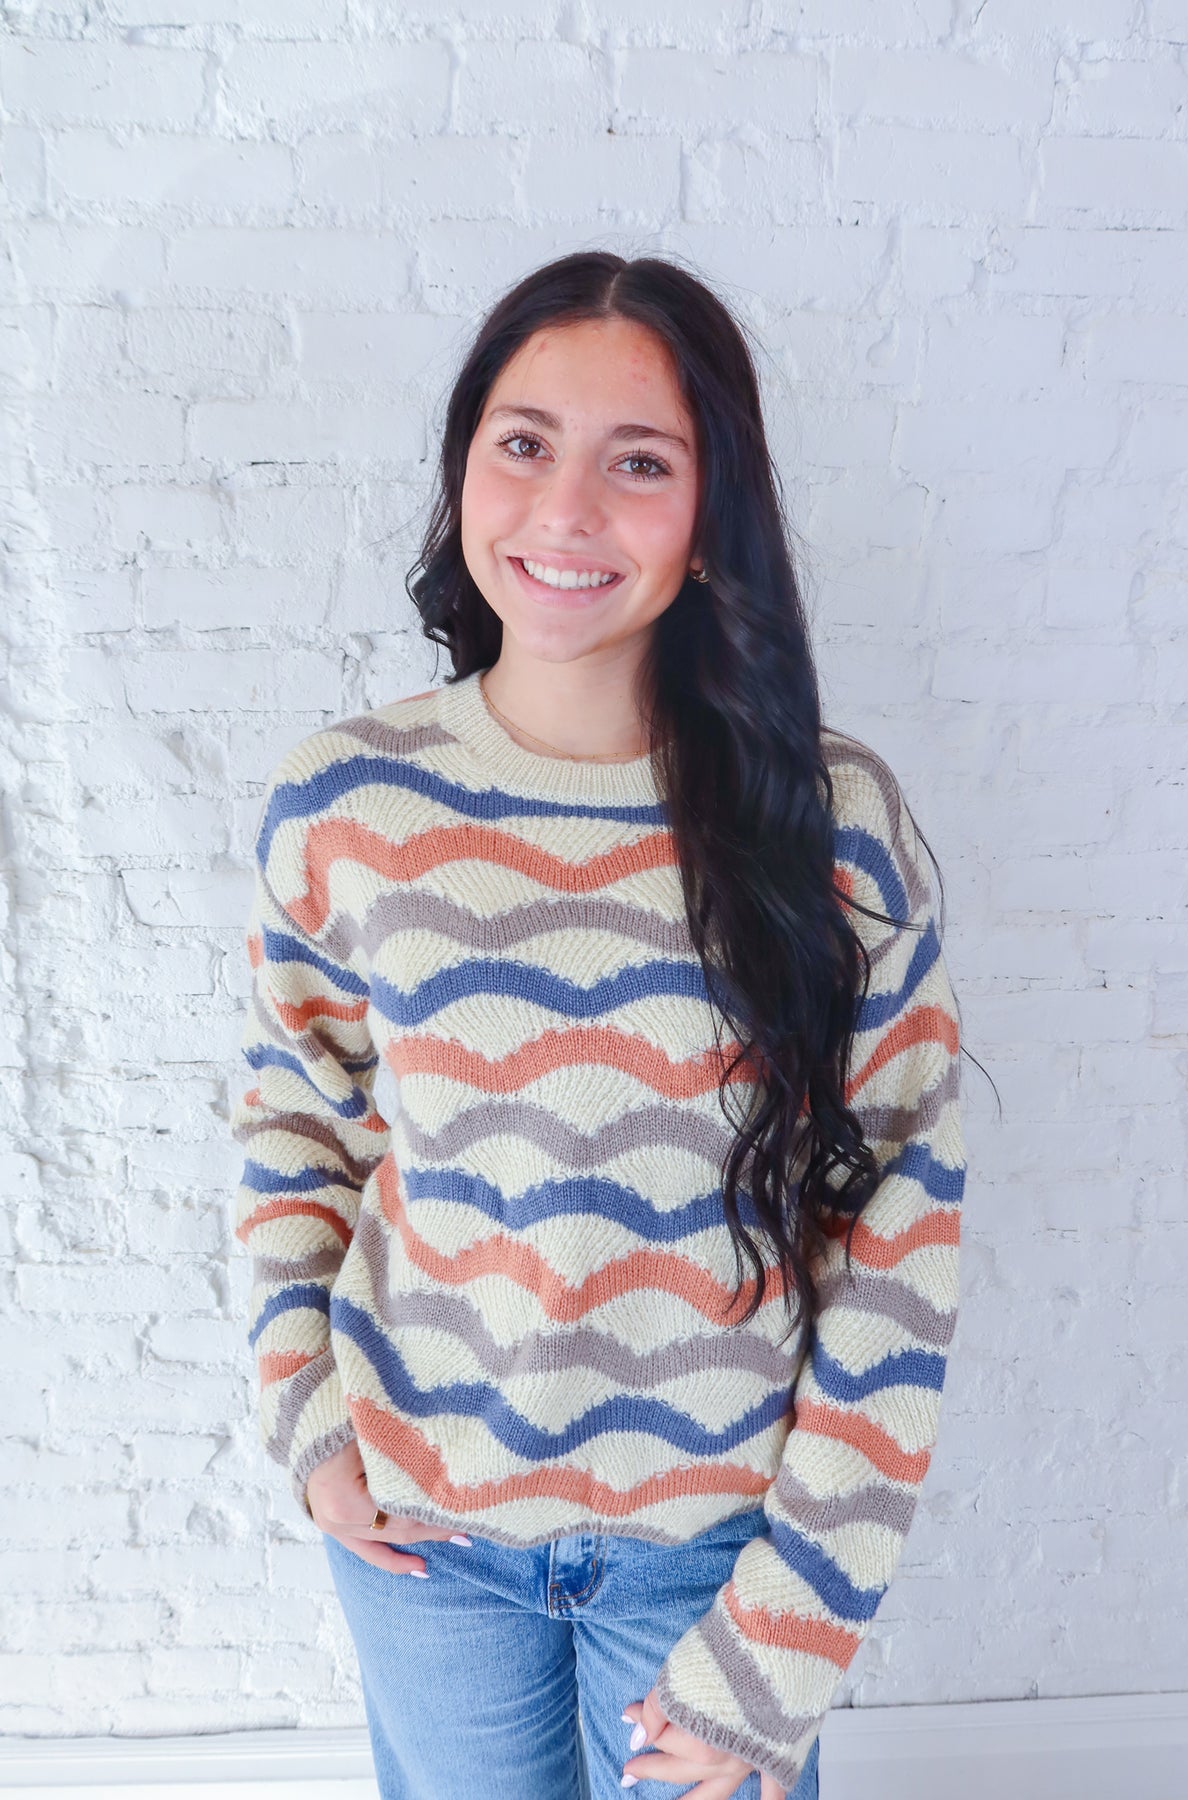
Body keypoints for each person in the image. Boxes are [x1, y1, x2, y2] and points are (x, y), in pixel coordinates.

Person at [230, 250, 967, 1800]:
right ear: (464, 469)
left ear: (711, 517)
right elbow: (298, 1127)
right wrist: (308, 1417)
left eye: (639, 463)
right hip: (425, 1537)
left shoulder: (830, 827)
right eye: (525, 443)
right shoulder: (346, 805)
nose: (566, 510)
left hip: (712, 1554)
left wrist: (789, 1633)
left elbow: (902, 1230)